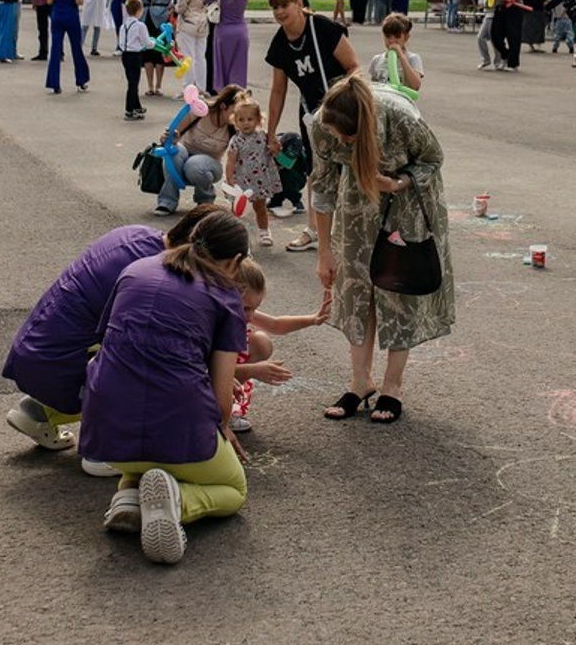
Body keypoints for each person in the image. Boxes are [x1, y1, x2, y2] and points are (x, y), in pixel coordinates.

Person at [79, 210, 250, 564]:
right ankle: (178, 500)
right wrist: (222, 431)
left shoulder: (137, 269)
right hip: (177, 421)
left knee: (138, 422)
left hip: (106, 428)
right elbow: (221, 399)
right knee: (234, 490)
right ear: (235, 261)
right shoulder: (225, 294)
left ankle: (128, 495)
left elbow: (102, 346)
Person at [3, 205, 216, 457]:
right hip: (57, 371)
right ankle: (107, 450)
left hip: (37, 353)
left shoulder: (136, 234)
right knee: (158, 370)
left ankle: (38, 410)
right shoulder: (157, 276)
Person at [312, 74, 455, 424]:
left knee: (395, 287)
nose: (341, 141)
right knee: (357, 286)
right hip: (356, 201)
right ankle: (361, 381)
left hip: (404, 199)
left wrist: (398, 182)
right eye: (337, 135)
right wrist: (324, 251)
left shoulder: (399, 117)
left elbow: (433, 159)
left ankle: (392, 386)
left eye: (350, 137)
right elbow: (323, 184)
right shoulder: (323, 123)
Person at [264, 0, 359, 252]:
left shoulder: (322, 28)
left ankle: (350, 228)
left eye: (285, 5)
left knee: (348, 168)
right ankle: (312, 230)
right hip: (311, 113)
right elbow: (278, 90)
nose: (280, 11)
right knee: (316, 171)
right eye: (275, 7)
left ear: (298, 3)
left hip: (341, 107)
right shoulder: (280, 43)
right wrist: (271, 133)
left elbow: (354, 66)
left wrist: (342, 98)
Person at [230, 259, 328, 433]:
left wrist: (313, 319)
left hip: (230, 371)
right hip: (208, 376)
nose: (251, 315)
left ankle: (229, 407)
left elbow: (276, 325)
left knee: (261, 342)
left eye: (255, 308)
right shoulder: (211, 321)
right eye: (246, 308)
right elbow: (206, 370)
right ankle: (216, 412)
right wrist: (253, 370)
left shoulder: (241, 312)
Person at [154, 84, 245, 216]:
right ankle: (167, 201)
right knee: (173, 152)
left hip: (210, 164)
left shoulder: (236, 126)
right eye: (235, 112)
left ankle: (205, 201)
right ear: (223, 106)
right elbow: (173, 133)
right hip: (185, 153)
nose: (238, 117)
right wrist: (168, 138)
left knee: (194, 164)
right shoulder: (199, 110)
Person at [224, 95, 282, 246]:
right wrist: (230, 178)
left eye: (250, 119)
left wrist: (275, 148)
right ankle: (234, 233)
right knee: (237, 209)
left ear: (258, 119)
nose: (246, 123)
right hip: (241, 180)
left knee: (260, 207)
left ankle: (264, 231)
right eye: (241, 120)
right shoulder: (236, 140)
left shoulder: (264, 137)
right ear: (235, 122)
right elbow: (231, 160)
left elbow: (274, 151)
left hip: (260, 180)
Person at [45, 0, 90, 95]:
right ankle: (81, 79)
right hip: (71, 15)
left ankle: (54, 82)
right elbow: (78, 0)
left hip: (57, 15)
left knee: (55, 49)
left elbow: (49, 1)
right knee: (76, 48)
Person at [205, 0, 251, 89]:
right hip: (241, 30)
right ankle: (237, 96)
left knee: (222, 67)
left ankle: (223, 96)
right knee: (239, 68)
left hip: (223, 29)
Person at [139, 0, 177, 97]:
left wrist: (173, 8)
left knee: (159, 51)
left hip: (161, 19)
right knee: (148, 52)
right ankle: (149, 85)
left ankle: (159, 85)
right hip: (146, 17)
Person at [172, 0, 210, 85]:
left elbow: (181, 8)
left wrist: (174, 7)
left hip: (188, 24)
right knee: (200, 57)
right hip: (202, 23)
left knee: (187, 57)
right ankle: (201, 87)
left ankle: (188, 87)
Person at [367, 12, 424, 95]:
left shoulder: (412, 58)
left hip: (403, 104)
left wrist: (401, 56)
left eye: (397, 37)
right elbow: (373, 87)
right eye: (388, 36)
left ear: (406, 37)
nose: (392, 41)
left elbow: (416, 86)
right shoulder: (377, 59)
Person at [490, 0, 527, 71]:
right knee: (495, 34)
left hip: (513, 8)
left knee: (513, 36)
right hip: (500, 7)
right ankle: (505, 55)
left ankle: (513, 63)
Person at [117, 0, 151, 119]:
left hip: (125, 55)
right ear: (139, 10)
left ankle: (137, 106)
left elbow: (121, 43)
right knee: (133, 83)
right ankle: (129, 109)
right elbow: (147, 42)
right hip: (135, 56)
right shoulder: (140, 26)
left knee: (131, 81)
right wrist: (153, 44)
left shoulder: (123, 26)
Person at [201, 0, 225, 93]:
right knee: (205, 52)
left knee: (210, 52)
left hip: (212, 18)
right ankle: (207, 83)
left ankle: (212, 85)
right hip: (204, 17)